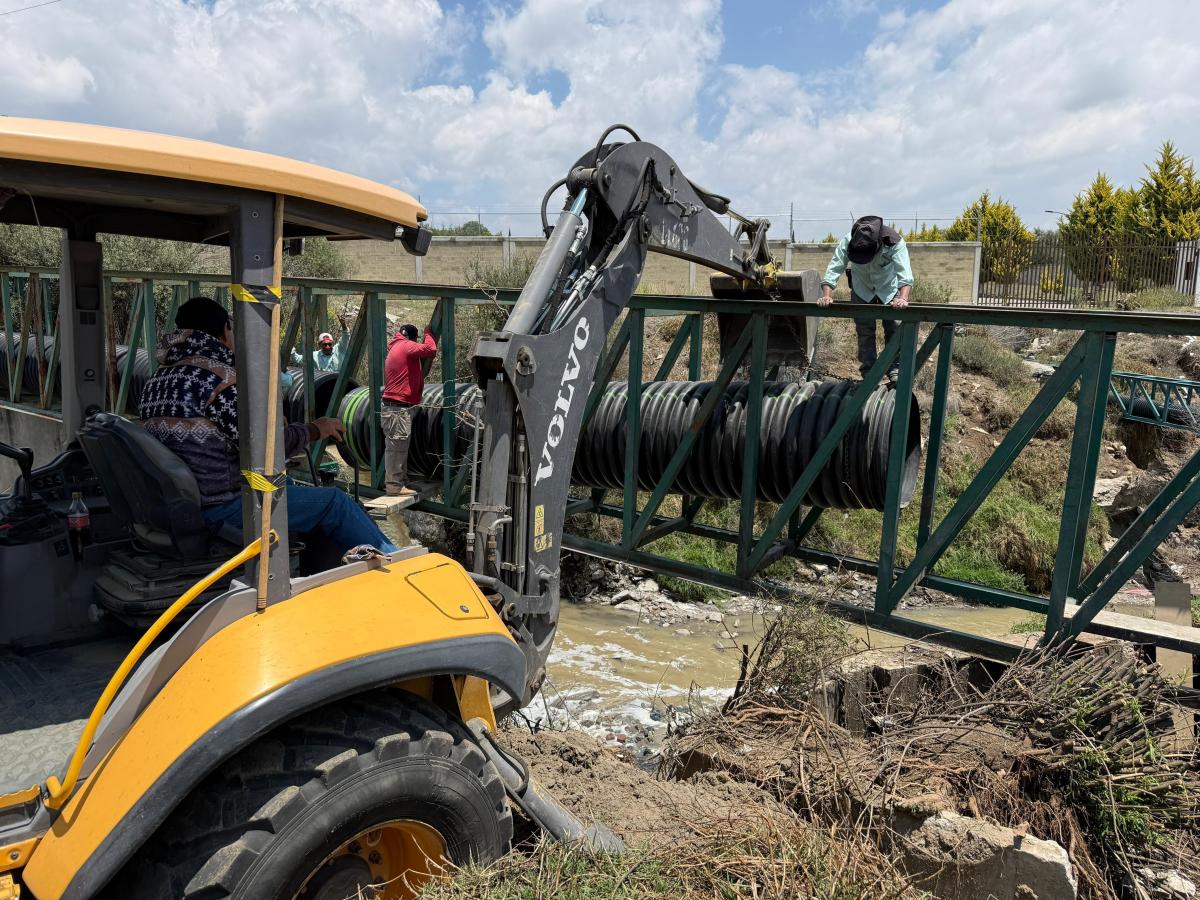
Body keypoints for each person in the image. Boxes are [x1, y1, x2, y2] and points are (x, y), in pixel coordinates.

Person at [139, 297, 398, 555]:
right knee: (335, 502)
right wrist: (316, 429)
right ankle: (397, 563)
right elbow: (269, 447)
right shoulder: (220, 380)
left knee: (292, 490)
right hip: (222, 507)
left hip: (179, 505)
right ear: (225, 333)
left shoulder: (158, 378)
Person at [817, 215, 913, 381]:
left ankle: (895, 370)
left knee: (894, 328)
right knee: (864, 331)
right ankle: (869, 374)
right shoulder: (847, 241)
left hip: (888, 289)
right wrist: (826, 296)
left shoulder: (894, 242)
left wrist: (903, 298)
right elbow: (834, 268)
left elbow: (905, 274)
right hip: (862, 289)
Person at [382, 323, 437, 497]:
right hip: (397, 408)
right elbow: (431, 349)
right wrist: (428, 332)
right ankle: (394, 486)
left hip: (395, 407)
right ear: (412, 339)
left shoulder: (396, 346)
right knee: (396, 447)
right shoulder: (406, 346)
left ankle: (401, 483)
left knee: (399, 446)